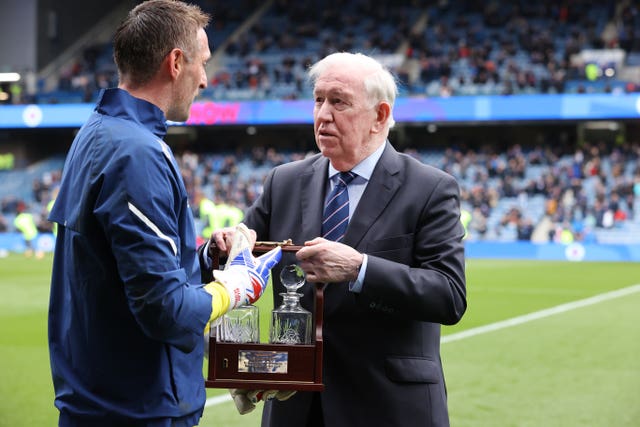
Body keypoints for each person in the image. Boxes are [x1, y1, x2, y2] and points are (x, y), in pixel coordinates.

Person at [47, 2, 281, 426]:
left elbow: (125, 265)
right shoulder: (136, 152)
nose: (206, 80)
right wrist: (237, 286)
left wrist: (206, 259)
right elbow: (164, 310)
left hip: (107, 400)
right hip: (137, 409)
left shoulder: (99, 131)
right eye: (203, 64)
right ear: (175, 63)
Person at [211, 52, 467, 427]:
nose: (323, 114)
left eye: (339, 102)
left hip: (389, 407)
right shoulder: (284, 181)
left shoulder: (430, 188)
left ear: (380, 116)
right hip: (295, 406)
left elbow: (449, 295)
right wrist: (219, 247)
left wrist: (359, 269)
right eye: (318, 100)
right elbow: (238, 255)